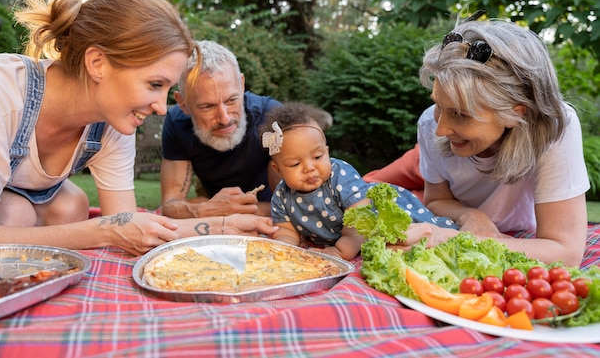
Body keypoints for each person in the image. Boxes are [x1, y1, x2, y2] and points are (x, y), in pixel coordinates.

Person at [0, 0, 276, 257]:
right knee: (17, 214)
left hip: (15, 199)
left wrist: (226, 225)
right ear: (97, 64)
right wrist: (104, 230)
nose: (161, 107)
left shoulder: (112, 124)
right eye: (155, 85)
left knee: (71, 206)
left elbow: (129, 223)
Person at [391, 18, 590, 267]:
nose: (440, 129)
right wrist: (470, 215)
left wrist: (450, 241)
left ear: (516, 113)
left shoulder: (557, 128)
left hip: (520, 241)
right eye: (438, 106)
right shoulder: (429, 123)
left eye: (461, 114)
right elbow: (435, 200)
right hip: (459, 230)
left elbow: (566, 253)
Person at [160, 40, 282, 219]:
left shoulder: (272, 117)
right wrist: (205, 210)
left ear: (241, 84)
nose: (224, 119)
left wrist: (229, 211)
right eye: (207, 107)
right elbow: (170, 206)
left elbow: (305, 199)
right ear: (183, 104)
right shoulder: (177, 123)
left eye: (232, 100)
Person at [258, 102, 368, 260]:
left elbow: (359, 223)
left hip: (364, 231)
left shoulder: (340, 176)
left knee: (396, 239)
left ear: (327, 152)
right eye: (295, 164)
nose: (309, 167)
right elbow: (286, 230)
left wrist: (339, 252)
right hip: (329, 240)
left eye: (318, 157)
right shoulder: (282, 195)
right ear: (278, 169)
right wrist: (286, 248)